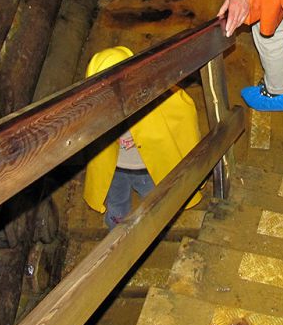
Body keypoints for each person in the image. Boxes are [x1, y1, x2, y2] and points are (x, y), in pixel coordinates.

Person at [82, 46, 203, 229]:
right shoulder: (93, 110)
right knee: (117, 202)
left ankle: (152, 226)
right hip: (116, 170)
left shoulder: (162, 98)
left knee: (154, 202)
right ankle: (117, 225)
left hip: (147, 169)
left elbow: (184, 118)